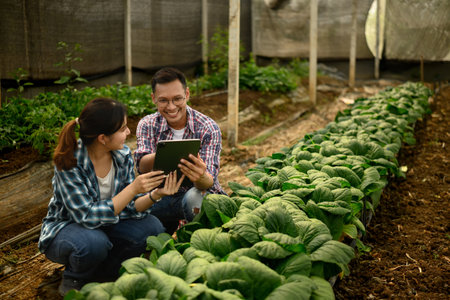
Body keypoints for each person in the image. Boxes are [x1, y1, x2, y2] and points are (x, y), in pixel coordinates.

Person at [38, 98, 184, 296]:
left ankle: (105, 272)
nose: (128, 132)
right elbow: (87, 216)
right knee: (94, 243)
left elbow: (130, 207)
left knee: (153, 228)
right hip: (68, 229)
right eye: (123, 128)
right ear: (103, 138)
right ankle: (75, 278)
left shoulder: (121, 155)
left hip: (106, 225)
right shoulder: (69, 162)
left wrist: (156, 194)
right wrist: (132, 189)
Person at [134, 67, 226, 234]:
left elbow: (208, 183)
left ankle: (203, 239)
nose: (171, 107)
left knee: (193, 198)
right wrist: (167, 154)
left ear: (187, 95)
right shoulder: (147, 124)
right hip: (161, 195)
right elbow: (142, 166)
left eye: (177, 99)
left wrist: (200, 175)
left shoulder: (207, 127)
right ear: (153, 98)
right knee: (135, 210)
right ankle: (162, 236)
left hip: (198, 195)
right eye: (163, 100)